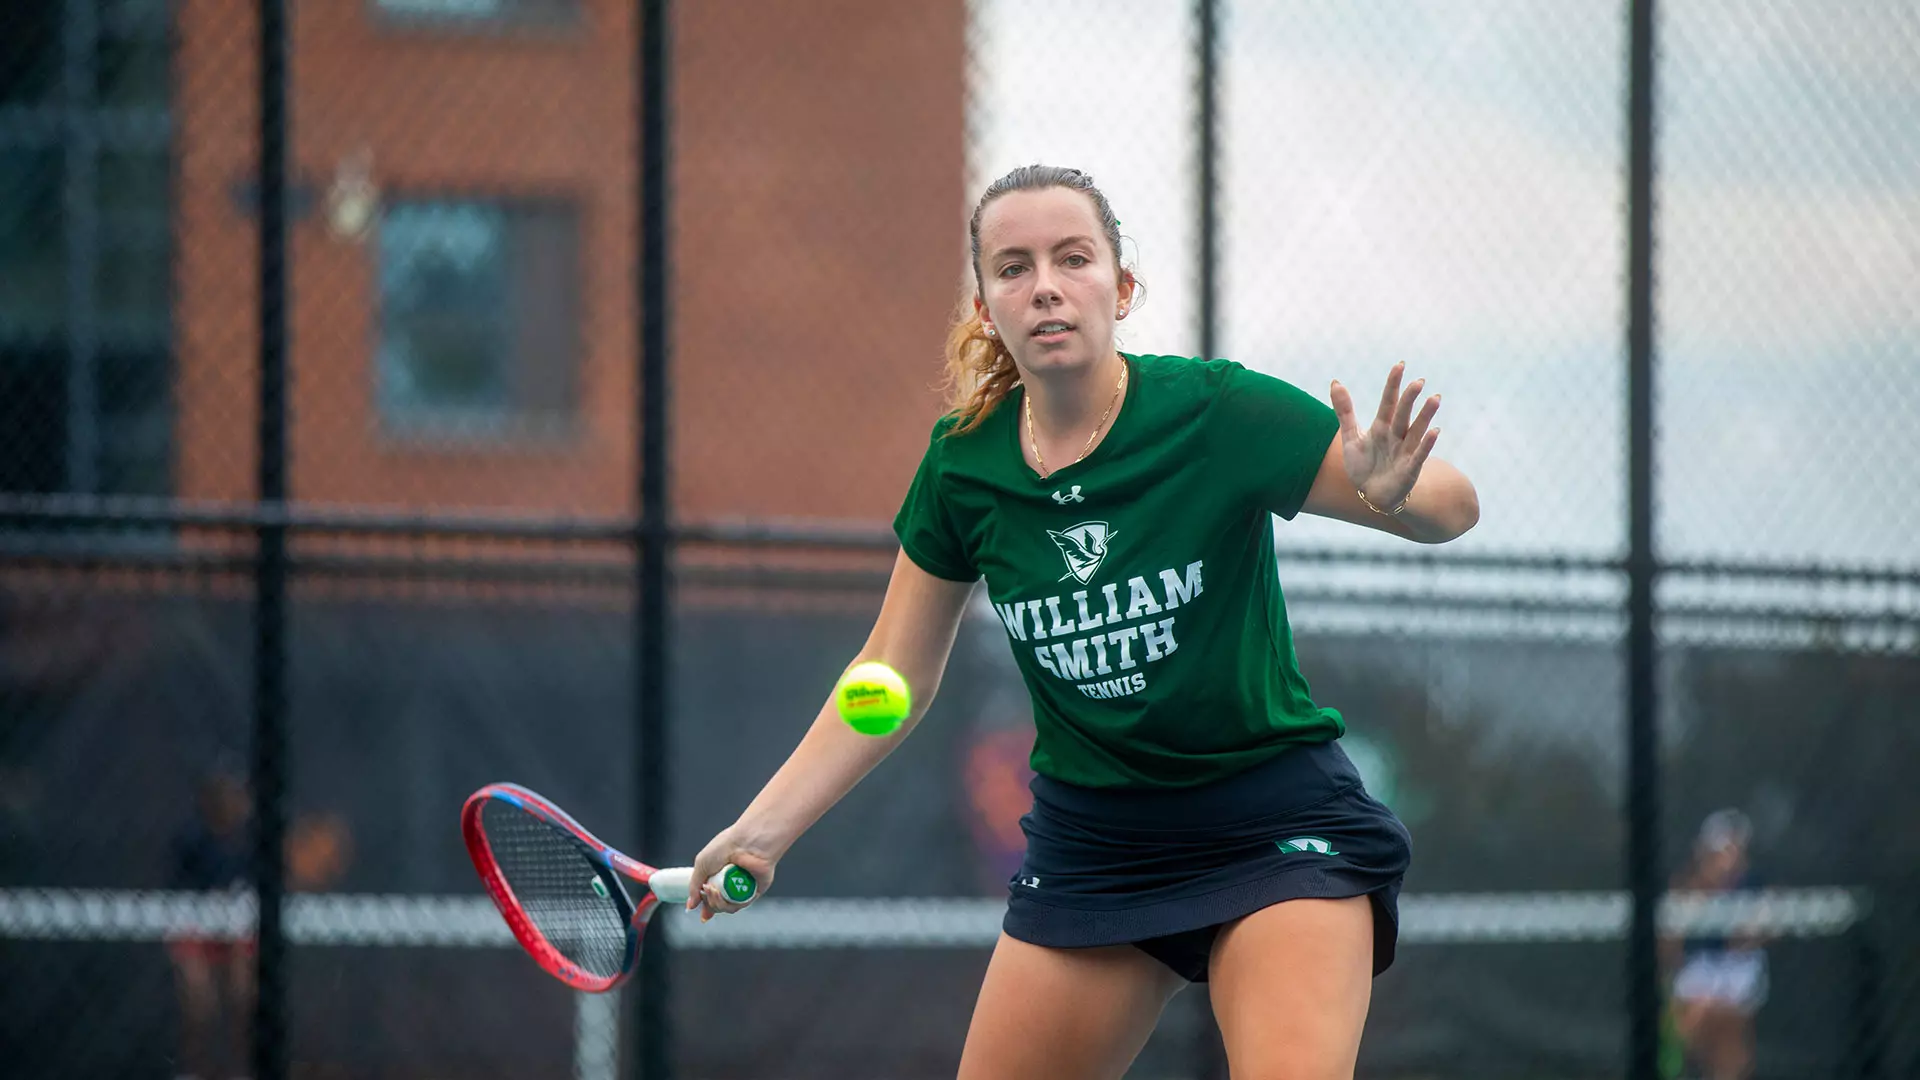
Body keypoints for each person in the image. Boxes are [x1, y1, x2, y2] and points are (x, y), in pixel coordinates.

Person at [687, 164, 1480, 1079]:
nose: (1046, 287)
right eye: (1013, 268)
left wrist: (1392, 495)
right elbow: (889, 680)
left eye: (1073, 258)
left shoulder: (1216, 412)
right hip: (1097, 848)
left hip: (1273, 825)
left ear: (1122, 287)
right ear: (985, 307)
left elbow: (1454, 507)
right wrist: (763, 829)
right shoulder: (963, 468)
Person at [1662, 809, 1768, 1080]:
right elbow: (1670, 942)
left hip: (1738, 967)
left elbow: (1751, 937)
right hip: (1699, 966)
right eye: (1723, 849)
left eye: (1736, 847)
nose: (1730, 857)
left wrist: (1743, 930)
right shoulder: (1685, 886)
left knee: (1728, 1038)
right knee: (1689, 1025)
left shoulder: (1754, 887)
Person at [167, 767, 254, 1080]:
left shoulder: (253, 841)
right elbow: (178, 891)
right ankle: (192, 1072)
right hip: (194, 922)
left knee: (244, 999)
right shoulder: (190, 840)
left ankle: (242, 1072)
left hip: (238, 924)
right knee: (199, 1005)